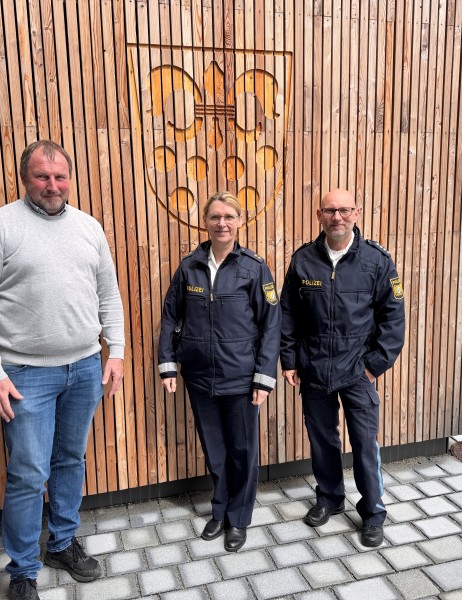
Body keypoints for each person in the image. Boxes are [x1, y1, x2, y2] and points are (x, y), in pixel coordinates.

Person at [0, 140, 125, 600]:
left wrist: (117, 351)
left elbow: (108, 294)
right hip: (25, 374)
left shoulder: (89, 227)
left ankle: (63, 543)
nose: (52, 185)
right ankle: (23, 571)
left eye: (60, 176)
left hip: (85, 368)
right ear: (24, 179)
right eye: (42, 177)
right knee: (29, 473)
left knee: (71, 460)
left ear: (69, 179)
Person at [280, 188, 405, 548]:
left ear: (357, 212)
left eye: (345, 210)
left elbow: (393, 318)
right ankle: (330, 498)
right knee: (323, 440)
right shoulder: (303, 260)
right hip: (314, 368)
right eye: (331, 210)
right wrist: (290, 360)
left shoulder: (377, 261)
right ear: (319, 214)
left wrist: (373, 366)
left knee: (365, 443)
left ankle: (373, 512)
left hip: (356, 370)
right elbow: (288, 314)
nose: (338, 217)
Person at [158, 191, 281, 552]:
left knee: (242, 451)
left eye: (229, 216)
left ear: (240, 222)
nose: (222, 223)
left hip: (242, 379)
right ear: (206, 222)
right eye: (215, 217)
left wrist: (264, 377)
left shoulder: (254, 268)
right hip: (199, 377)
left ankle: (238, 519)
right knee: (215, 451)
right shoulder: (189, 267)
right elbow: (170, 316)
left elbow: (272, 324)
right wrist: (168, 365)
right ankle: (221, 509)